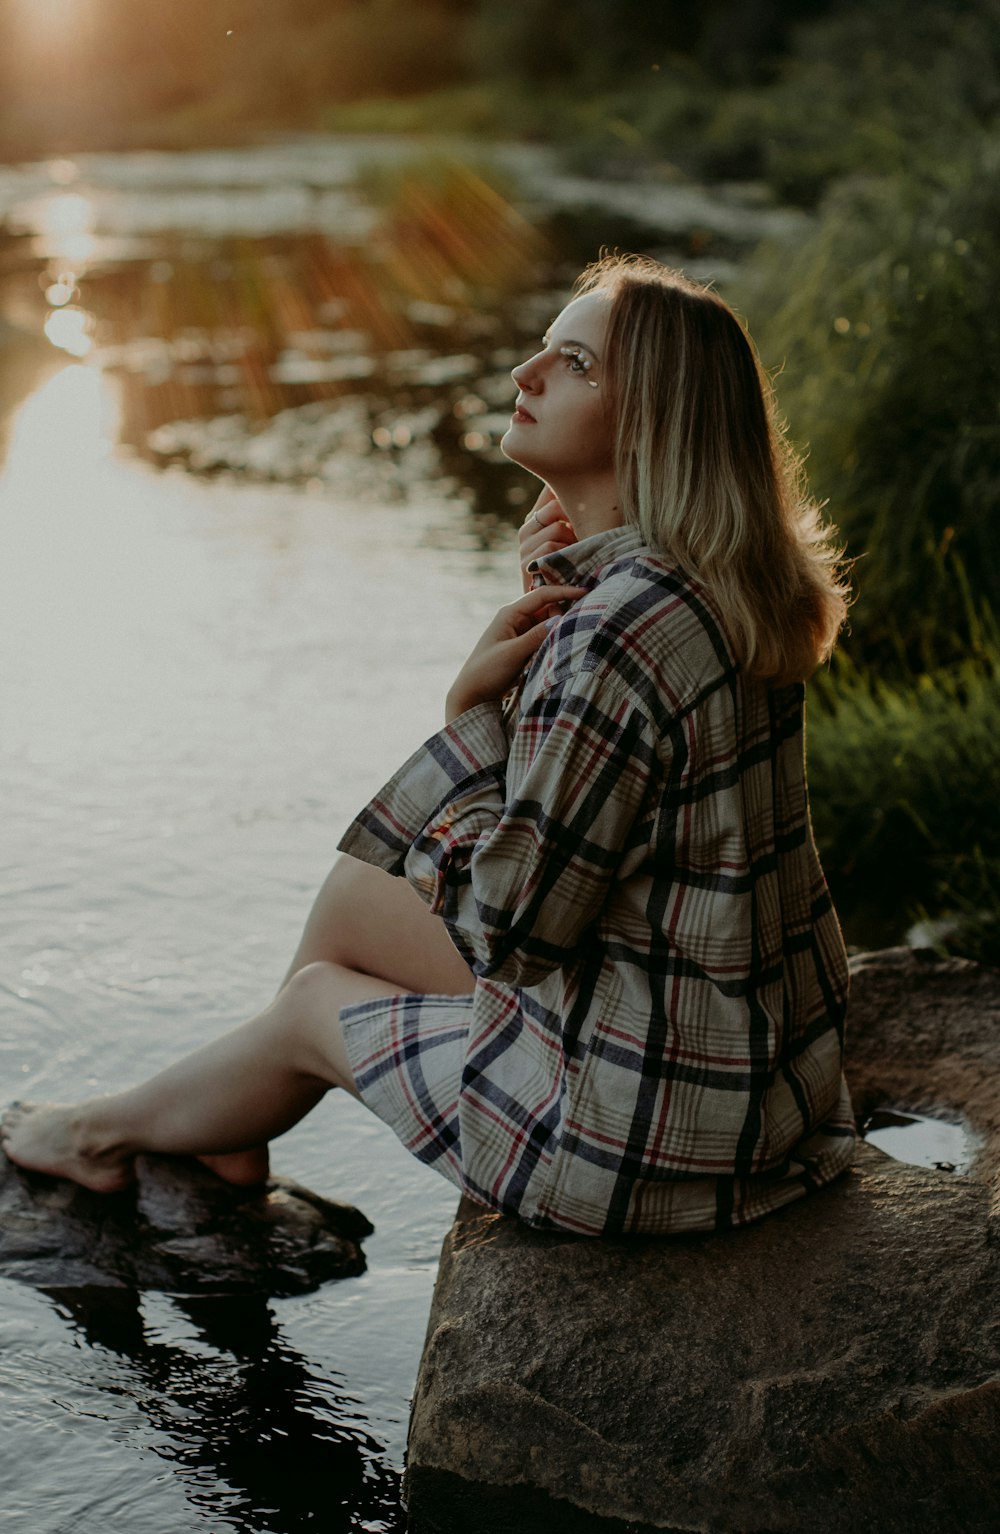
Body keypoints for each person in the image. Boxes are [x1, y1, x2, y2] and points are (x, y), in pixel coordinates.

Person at [2, 254, 856, 1237]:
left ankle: (98, 1135)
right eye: (541, 350)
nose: (522, 376)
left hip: (641, 1132)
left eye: (571, 363)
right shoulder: (727, 582)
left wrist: (471, 724)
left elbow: (514, 935)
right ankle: (224, 1128)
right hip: (760, 1077)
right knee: (358, 893)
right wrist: (559, 578)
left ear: (649, 422)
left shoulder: (614, 636)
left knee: (315, 1003)